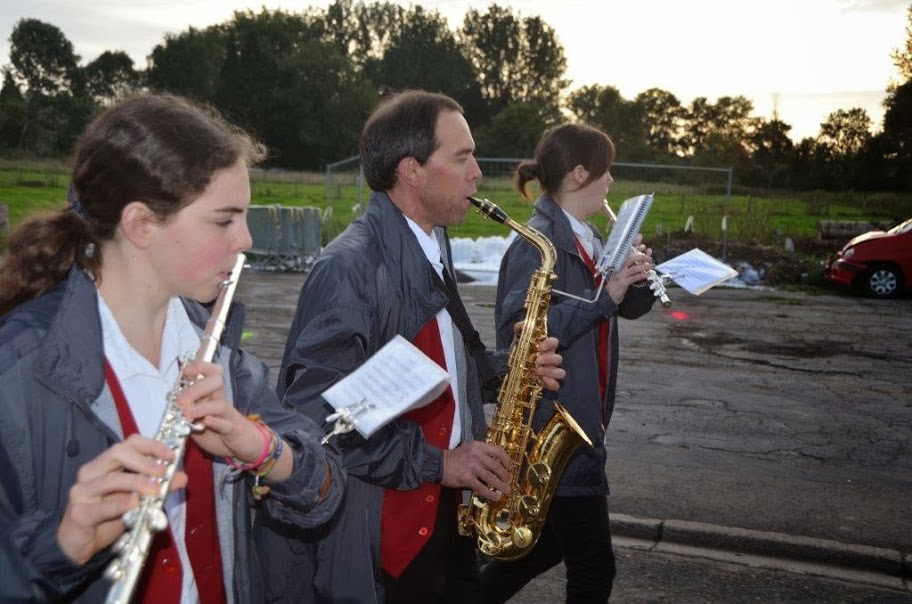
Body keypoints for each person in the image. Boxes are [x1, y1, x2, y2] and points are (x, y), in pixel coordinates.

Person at [0, 94, 345, 603]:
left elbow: (327, 490)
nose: (245, 239)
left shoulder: (216, 348)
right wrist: (63, 545)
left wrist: (266, 452)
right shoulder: (18, 367)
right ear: (141, 225)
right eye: (224, 220)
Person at [270, 89, 565, 603]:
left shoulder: (431, 242)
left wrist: (510, 368)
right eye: (462, 157)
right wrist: (441, 463)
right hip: (387, 540)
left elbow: (442, 363)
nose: (477, 172)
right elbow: (318, 418)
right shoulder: (348, 268)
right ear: (412, 171)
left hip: (445, 519)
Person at [482, 122, 658, 603]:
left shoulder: (590, 236)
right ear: (580, 174)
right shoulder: (537, 244)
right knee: (594, 568)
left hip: (581, 415)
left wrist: (637, 280)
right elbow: (522, 333)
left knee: (540, 549)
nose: (611, 183)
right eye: (606, 172)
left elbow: (625, 307)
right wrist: (607, 295)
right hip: (552, 421)